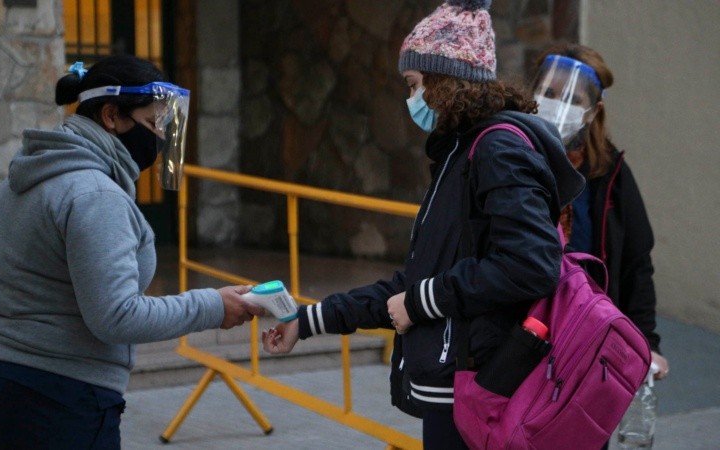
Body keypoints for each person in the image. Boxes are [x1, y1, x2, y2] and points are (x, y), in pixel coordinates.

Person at [262, 1, 585, 448]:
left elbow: (529, 265)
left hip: (481, 394)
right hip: (461, 392)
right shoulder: (459, 154)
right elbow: (418, 282)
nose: (410, 98)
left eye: (414, 84)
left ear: (446, 80)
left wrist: (419, 303)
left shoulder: (495, 152)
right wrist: (308, 320)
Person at [0, 54, 265, 449]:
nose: (161, 139)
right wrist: (213, 306)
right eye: (154, 124)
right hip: (56, 403)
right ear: (110, 116)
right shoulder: (95, 194)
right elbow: (117, 316)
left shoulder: (23, 179)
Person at [530, 43, 669, 381]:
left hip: (587, 341)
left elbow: (636, 265)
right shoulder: (509, 155)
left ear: (592, 112)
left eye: (573, 99)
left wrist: (646, 342)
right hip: (518, 336)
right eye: (549, 93)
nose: (558, 105)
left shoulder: (610, 175)